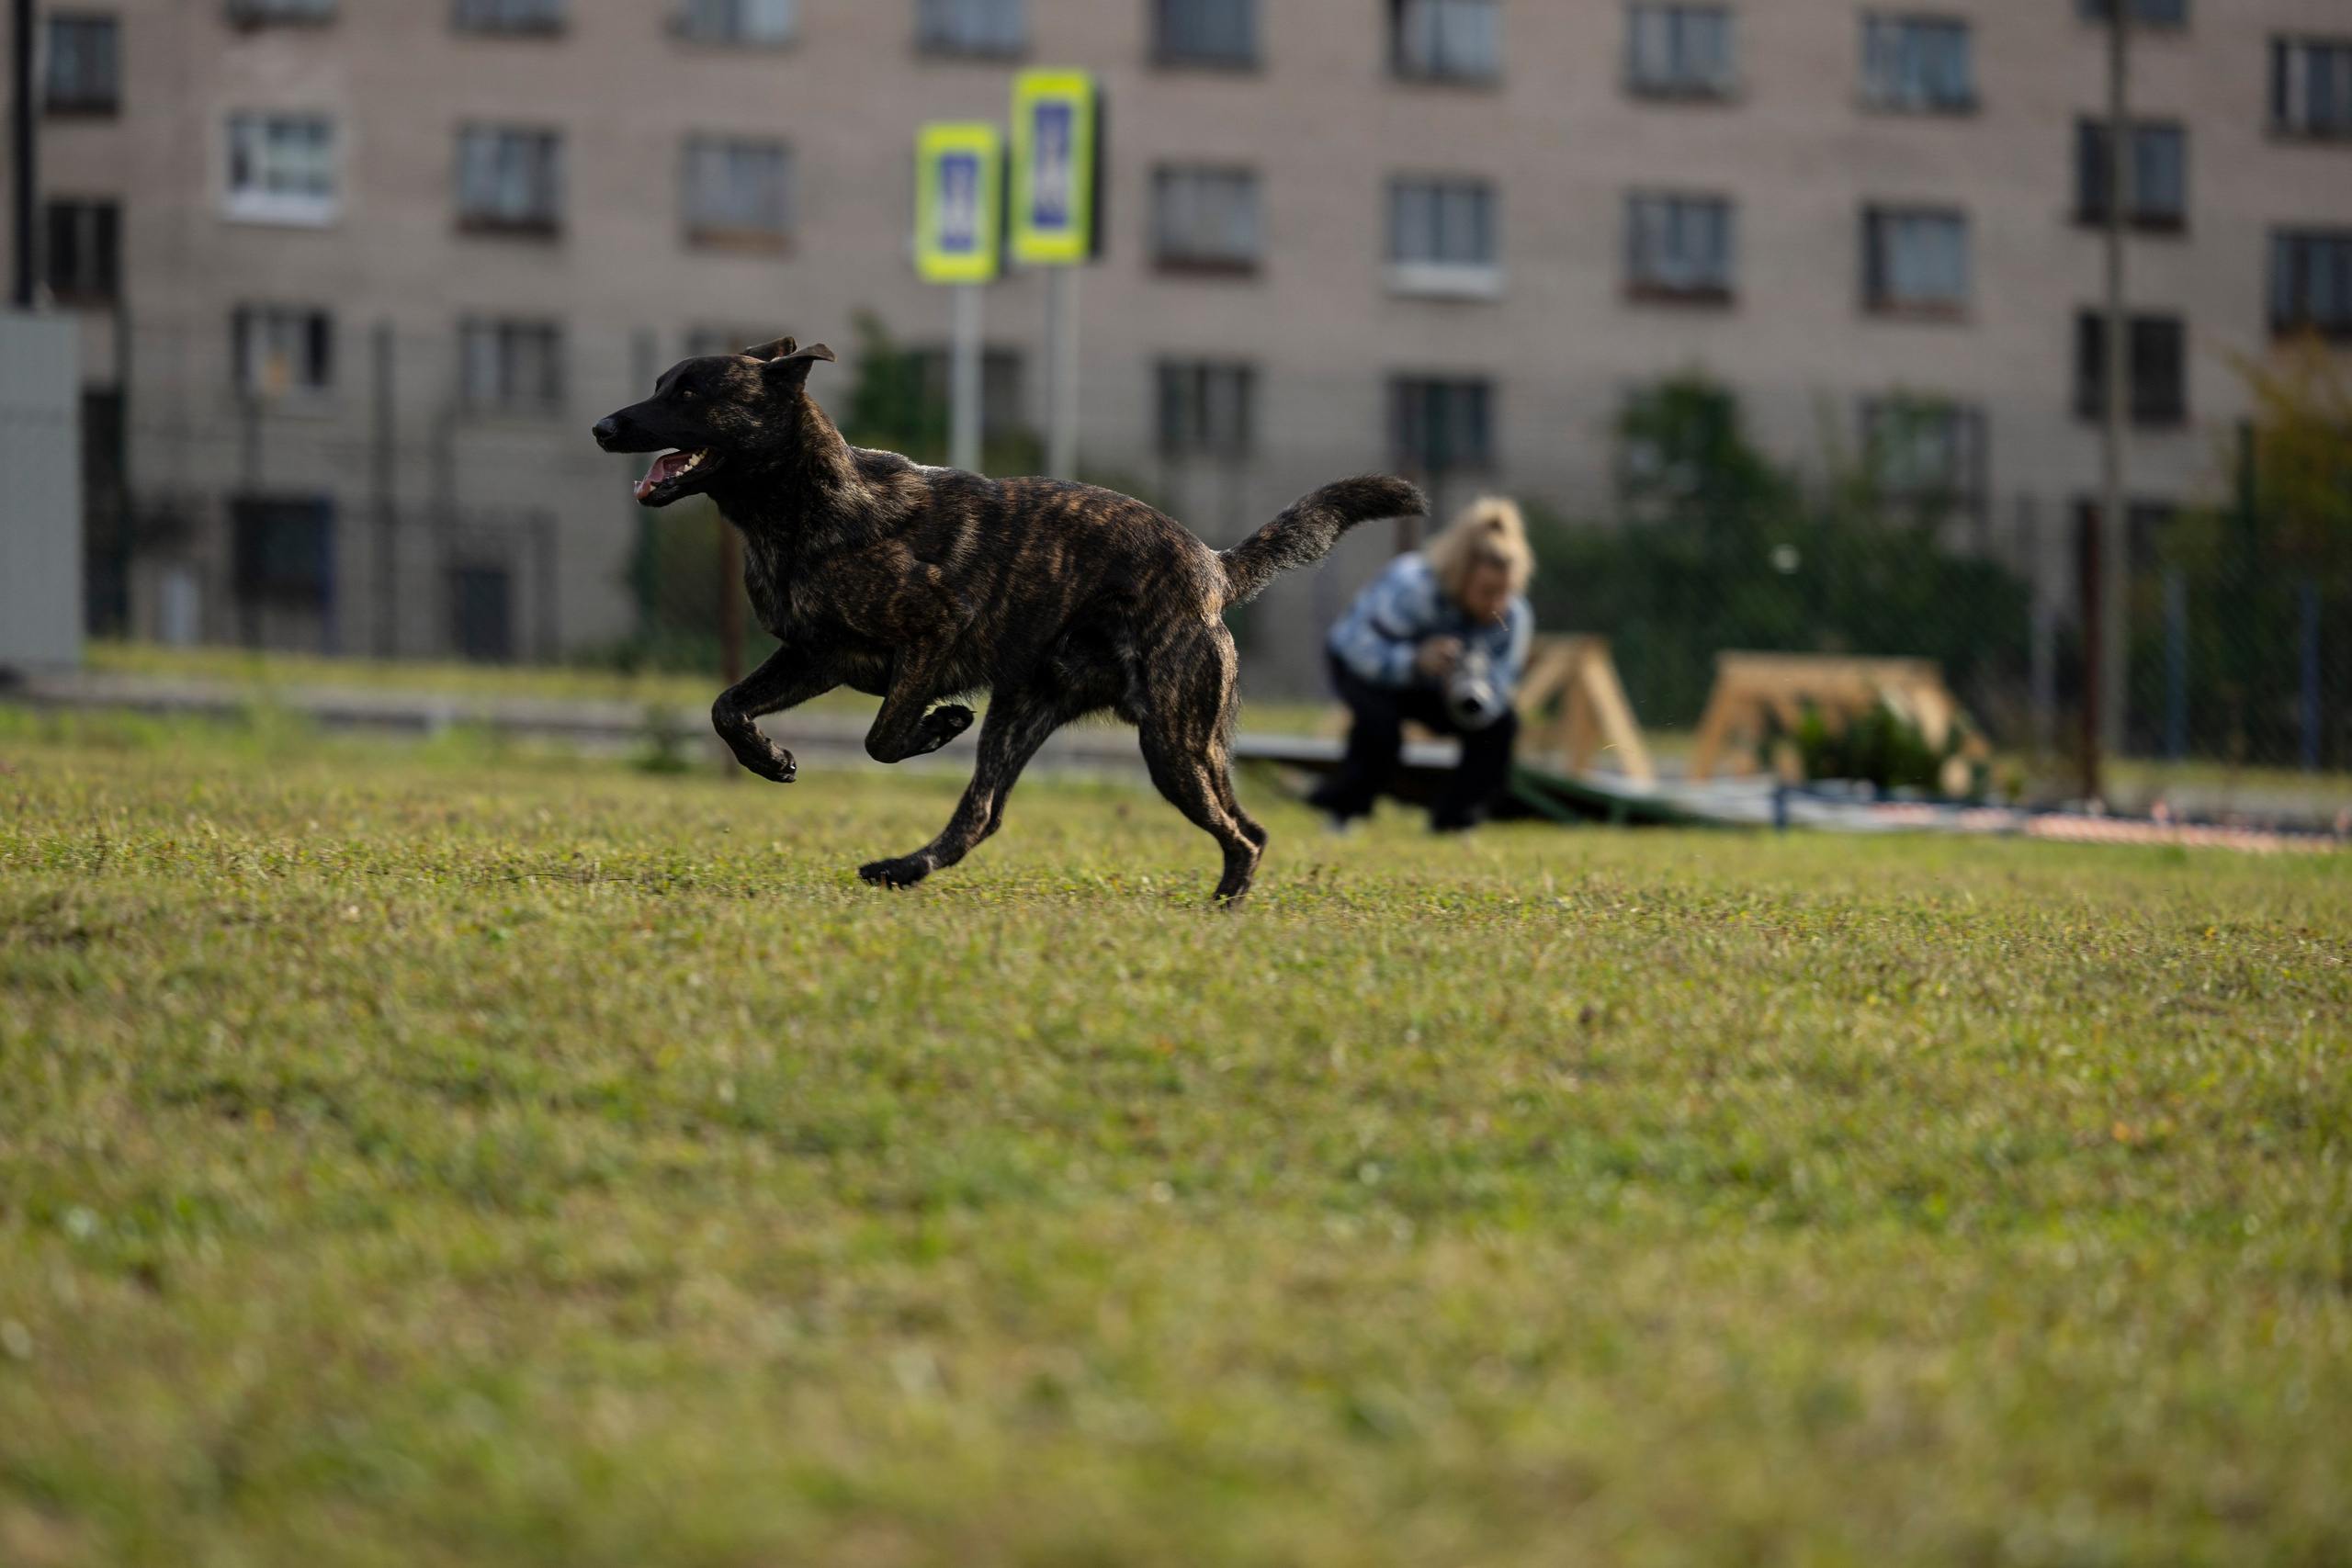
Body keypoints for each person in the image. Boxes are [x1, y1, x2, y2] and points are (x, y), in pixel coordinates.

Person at [1309, 496, 1535, 832]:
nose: (1497, 604)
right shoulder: (1413, 585)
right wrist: (1415, 660)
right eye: (1487, 591)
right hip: (1360, 664)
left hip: (1434, 685)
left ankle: (1455, 823)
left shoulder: (1513, 617)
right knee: (1380, 727)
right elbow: (1361, 649)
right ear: (1461, 574)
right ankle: (1342, 811)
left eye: (1506, 591)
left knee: (1501, 727)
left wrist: (1472, 689)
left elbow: (1500, 688)